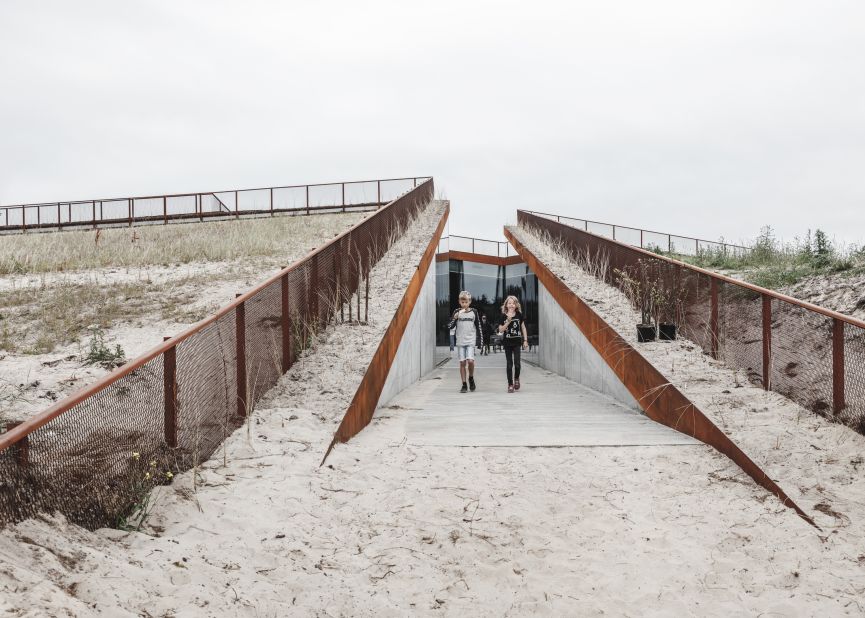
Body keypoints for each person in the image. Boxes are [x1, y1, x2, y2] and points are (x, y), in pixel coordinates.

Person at [447, 291, 483, 393]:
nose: (464, 304)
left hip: (470, 341)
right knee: (462, 362)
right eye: (462, 302)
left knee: (470, 361)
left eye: (466, 302)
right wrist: (454, 318)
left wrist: (480, 341)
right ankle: (464, 384)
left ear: (469, 302)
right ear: (459, 302)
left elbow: (478, 326)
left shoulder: (474, 312)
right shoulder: (457, 312)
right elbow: (450, 326)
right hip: (460, 341)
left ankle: (471, 378)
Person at [497, 295, 529, 393]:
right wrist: (507, 322)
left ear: (516, 305)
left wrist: (525, 340)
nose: (511, 305)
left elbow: (523, 328)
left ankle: (516, 379)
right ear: (506, 305)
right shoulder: (503, 316)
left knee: (517, 364)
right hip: (507, 343)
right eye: (509, 303)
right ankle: (510, 384)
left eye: (513, 303)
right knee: (509, 365)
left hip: (517, 343)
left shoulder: (519, 314)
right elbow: (500, 330)